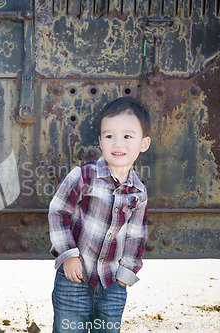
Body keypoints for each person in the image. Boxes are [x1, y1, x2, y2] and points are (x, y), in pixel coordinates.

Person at [48, 97, 151, 333]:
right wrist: (68, 254)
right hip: (74, 277)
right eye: (109, 136)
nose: (118, 144)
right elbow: (58, 212)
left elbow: (136, 237)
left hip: (113, 282)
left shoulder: (139, 192)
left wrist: (126, 275)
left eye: (127, 136)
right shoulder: (84, 176)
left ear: (143, 143)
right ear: (100, 141)